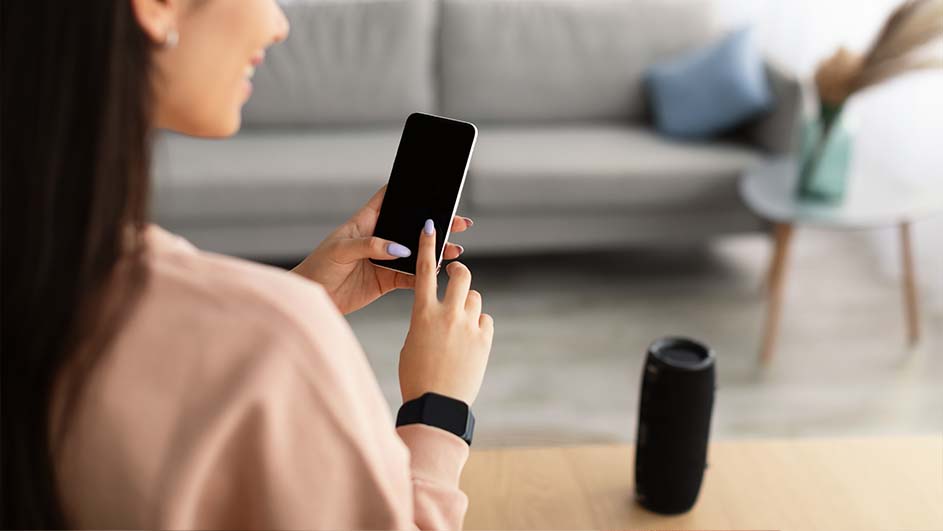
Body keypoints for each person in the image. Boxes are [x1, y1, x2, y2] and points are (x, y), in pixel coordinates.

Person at [0, 0, 494, 528]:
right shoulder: (276, 337)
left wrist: (291, 301)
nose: (279, 25)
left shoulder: (42, 279)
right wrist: (437, 408)